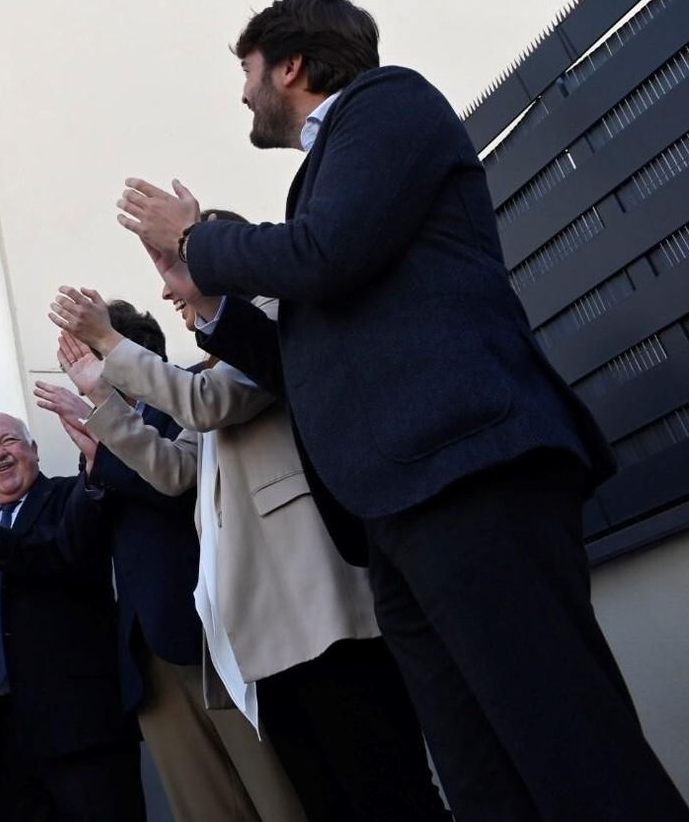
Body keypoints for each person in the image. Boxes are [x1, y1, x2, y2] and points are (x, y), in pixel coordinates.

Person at [115, 0, 689, 821]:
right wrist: (206, 304)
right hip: (395, 510)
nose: (242, 93)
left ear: (293, 65)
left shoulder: (389, 106)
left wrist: (200, 237)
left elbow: (324, 252)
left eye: (247, 71)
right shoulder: (330, 177)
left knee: (565, 742)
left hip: (467, 471)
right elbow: (302, 358)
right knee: (480, 771)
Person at [43, 274, 448, 822]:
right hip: (259, 629)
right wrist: (101, 407)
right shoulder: (208, 375)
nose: (167, 292)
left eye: (176, 270)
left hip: (321, 608)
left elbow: (207, 404)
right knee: (327, 800)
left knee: (386, 792)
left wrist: (110, 347)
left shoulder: (273, 321)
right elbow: (173, 470)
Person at [51, 299, 306, 822]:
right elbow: (78, 547)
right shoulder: (100, 425)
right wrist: (95, 461)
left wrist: (108, 449)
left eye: (90, 355)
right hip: (148, 653)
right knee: (204, 807)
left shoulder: (190, 398)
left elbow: (177, 491)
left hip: (217, 636)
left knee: (276, 797)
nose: (82, 376)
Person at [0, 412, 143, 822]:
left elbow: (65, 556)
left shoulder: (71, 496)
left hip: (81, 729)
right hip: (5, 739)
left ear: (34, 450)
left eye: (10, 441)